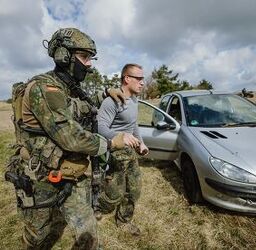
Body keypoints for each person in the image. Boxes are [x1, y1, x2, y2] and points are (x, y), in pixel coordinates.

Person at [6, 28, 127, 249]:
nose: (89, 64)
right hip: (40, 178)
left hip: (72, 172)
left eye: (91, 58)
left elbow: (80, 106)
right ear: (63, 55)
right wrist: (109, 144)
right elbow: (71, 138)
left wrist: (105, 93)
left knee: (88, 234)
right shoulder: (44, 88)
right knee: (37, 237)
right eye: (84, 57)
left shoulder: (67, 87)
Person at [97, 63, 149, 236]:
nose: (143, 82)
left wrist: (140, 143)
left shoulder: (134, 99)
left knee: (134, 189)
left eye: (143, 79)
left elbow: (133, 124)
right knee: (114, 194)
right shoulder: (111, 101)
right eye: (139, 78)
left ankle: (124, 220)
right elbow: (100, 127)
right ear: (127, 78)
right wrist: (119, 136)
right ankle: (97, 206)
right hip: (113, 153)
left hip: (130, 153)